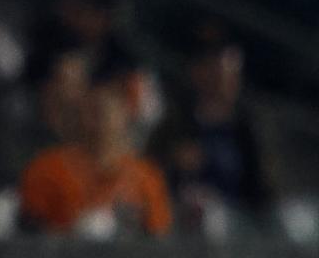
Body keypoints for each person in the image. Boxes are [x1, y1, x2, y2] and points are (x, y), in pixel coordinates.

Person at [20, 51, 173, 238]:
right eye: (92, 109)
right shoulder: (47, 168)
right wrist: (72, 235)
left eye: (107, 110)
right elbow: (26, 239)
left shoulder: (146, 177)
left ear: (126, 113)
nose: (99, 119)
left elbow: (158, 242)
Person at [146, 20, 275, 233]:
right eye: (209, 68)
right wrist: (174, 163)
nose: (219, 79)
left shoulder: (250, 126)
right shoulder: (174, 124)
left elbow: (267, 189)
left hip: (241, 223)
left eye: (226, 71)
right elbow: (149, 173)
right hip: (183, 223)